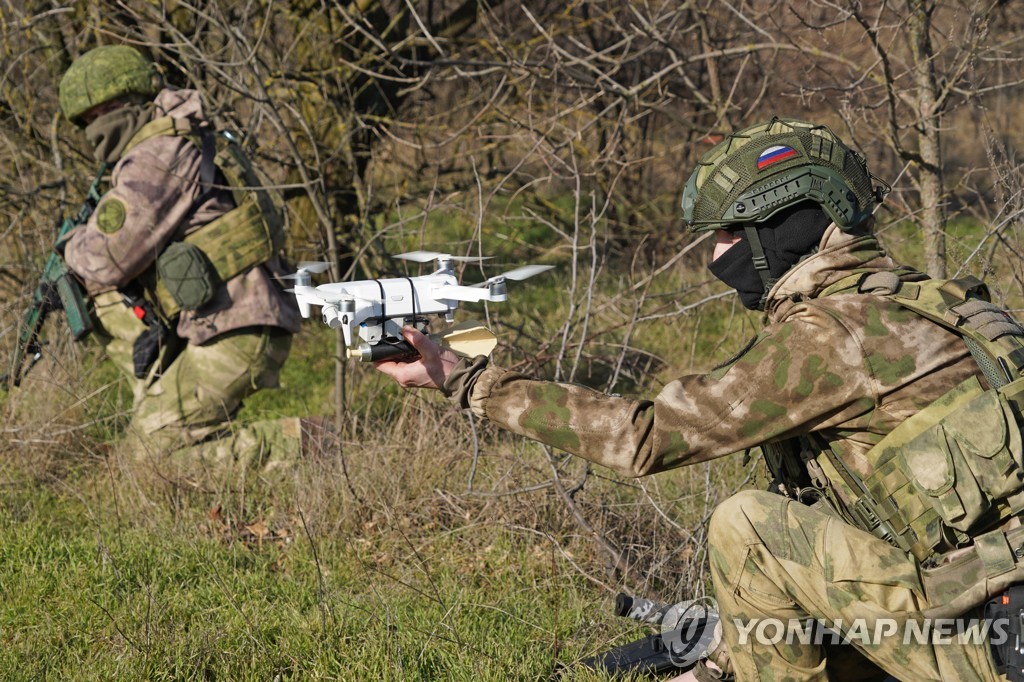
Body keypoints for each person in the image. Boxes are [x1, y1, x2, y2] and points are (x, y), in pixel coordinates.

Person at [376, 117, 1024, 681]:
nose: (716, 255)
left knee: (748, 525)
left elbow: (645, 437)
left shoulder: (835, 336)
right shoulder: (954, 308)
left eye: (728, 233)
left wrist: (464, 381)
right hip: (991, 614)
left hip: (987, 646)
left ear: (785, 227)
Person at [57, 44, 314, 473]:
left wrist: (70, 243)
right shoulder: (178, 136)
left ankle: (315, 445)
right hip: (229, 316)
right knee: (151, 442)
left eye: (98, 115)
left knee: (148, 458)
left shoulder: (161, 154)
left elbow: (104, 260)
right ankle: (164, 405)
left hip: (239, 325)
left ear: (127, 101)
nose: (93, 131)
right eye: (85, 122)